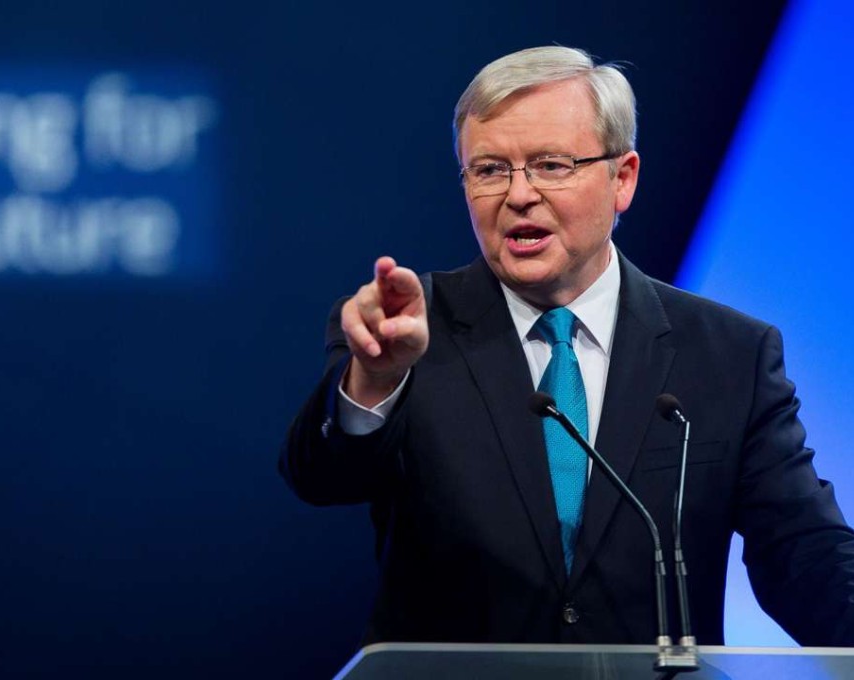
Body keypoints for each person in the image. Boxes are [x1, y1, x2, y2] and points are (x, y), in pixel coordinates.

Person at [279, 46, 854, 646]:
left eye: (551, 165)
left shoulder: (729, 353)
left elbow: (806, 557)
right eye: (489, 169)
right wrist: (374, 380)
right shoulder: (406, 329)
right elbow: (322, 481)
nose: (519, 194)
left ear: (622, 178)